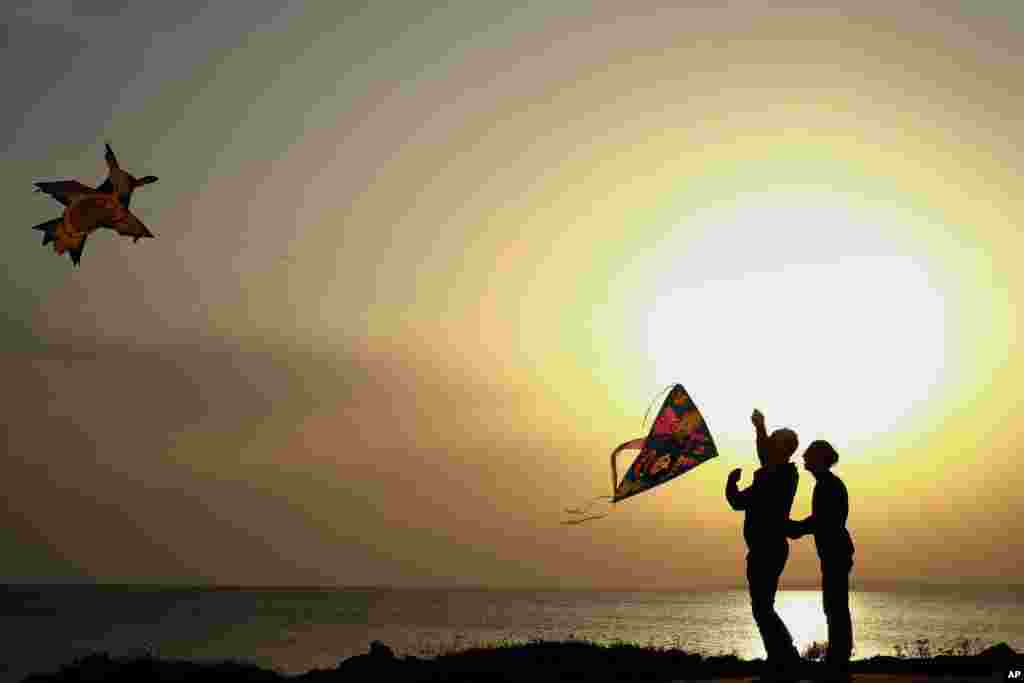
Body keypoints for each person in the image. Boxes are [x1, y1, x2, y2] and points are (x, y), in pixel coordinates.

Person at [726, 409, 802, 681]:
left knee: (762, 607)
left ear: (782, 449)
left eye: (774, 440)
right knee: (763, 606)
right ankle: (782, 657)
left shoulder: (777, 476)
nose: (768, 443)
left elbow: (739, 502)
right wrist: (760, 426)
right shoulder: (780, 472)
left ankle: (785, 657)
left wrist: (731, 485)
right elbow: (765, 451)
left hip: (767, 549)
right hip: (767, 548)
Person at [788, 440, 855, 682]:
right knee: (835, 605)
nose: (803, 458)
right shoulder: (827, 484)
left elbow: (822, 520)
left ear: (819, 459)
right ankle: (839, 658)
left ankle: (839, 660)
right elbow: (820, 520)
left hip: (835, 552)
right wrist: (799, 527)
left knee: (835, 605)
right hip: (834, 552)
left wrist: (796, 527)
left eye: (808, 455)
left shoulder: (828, 485)